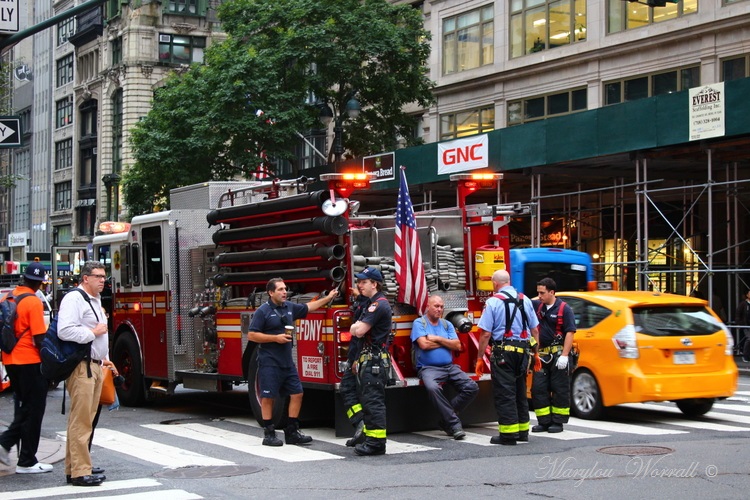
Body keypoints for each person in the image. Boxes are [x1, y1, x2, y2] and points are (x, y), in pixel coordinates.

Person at [248, 278, 338, 447]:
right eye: (280, 289)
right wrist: (276, 338)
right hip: (269, 361)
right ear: (271, 293)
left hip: (287, 362)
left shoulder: (289, 307)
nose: (284, 292)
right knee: (268, 397)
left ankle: (292, 431)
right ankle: (269, 433)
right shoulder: (263, 311)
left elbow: (309, 307)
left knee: (297, 393)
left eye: (285, 289)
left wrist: (328, 298)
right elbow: (252, 335)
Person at [58, 261, 115, 487]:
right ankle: (80, 472)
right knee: (81, 421)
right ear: (85, 278)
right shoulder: (74, 299)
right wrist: (93, 332)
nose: (103, 280)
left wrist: (105, 358)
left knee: (84, 420)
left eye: (104, 276)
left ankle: (77, 467)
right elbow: (64, 331)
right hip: (82, 367)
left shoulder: (95, 299)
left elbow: (101, 335)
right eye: (98, 276)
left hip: (94, 365)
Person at [475, 269, 539, 446]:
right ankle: (522, 432)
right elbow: (534, 330)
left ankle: (508, 435)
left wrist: (480, 358)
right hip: (523, 353)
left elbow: (486, 334)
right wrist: (536, 354)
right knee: (520, 391)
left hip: (503, 354)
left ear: (495, 284)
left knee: (505, 393)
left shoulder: (493, 302)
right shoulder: (525, 299)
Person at [0, 262, 53, 474]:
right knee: (34, 407)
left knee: (25, 406)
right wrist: (50, 363)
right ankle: (16, 451)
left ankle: (22, 456)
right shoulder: (33, 302)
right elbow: (39, 338)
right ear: (40, 283)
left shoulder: (9, 297)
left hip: (10, 358)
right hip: (29, 360)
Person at [410, 295, 478, 440]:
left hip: (450, 367)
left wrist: (438, 339)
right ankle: (454, 424)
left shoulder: (447, 324)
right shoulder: (419, 323)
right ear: (428, 307)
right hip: (428, 368)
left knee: (471, 387)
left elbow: (458, 345)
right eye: (436, 306)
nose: (439, 309)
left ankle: (446, 419)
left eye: (441, 307)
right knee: (433, 388)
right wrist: (447, 342)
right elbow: (424, 345)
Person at [347, 266, 393, 456]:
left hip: (374, 360)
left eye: (364, 282)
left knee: (373, 402)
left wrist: (354, 327)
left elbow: (359, 331)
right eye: (359, 281)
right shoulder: (371, 303)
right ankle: (370, 437)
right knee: (368, 399)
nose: (359, 285)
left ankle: (375, 443)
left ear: (374, 284)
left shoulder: (378, 305)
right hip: (369, 358)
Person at [531, 277, 577, 433]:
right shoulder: (538, 305)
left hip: (558, 355)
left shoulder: (565, 309)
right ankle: (544, 421)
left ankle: (558, 422)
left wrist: (564, 355)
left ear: (552, 292)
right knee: (538, 389)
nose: (539, 296)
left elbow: (570, 333)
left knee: (560, 389)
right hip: (542, 355)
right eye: (538, 293)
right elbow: (525, 301)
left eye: (542, 293)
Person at [735, 289, 750, 362]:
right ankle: (745, 356)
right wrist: (740, 322)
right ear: (747, 295)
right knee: (749, 338)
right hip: (746, 325)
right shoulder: (743, 304)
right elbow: (738, 313)